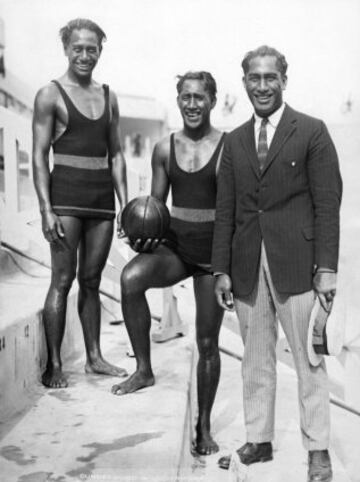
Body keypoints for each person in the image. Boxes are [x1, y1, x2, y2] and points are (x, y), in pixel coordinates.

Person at [212, 46, 342, 482]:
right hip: (247, 267)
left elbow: (327, 204)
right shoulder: (233, 141)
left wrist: (326, 267)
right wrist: (221, 269)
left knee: (310, 361)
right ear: (244, 82)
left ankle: (318, 449)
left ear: (284, 80)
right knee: (255, 359)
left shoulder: (311, 131)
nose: (262, 86)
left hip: (299, 267)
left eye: (271, 78)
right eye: (255, 78)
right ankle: (260, 438)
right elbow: (225, 210)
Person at [111, 71, 225, 456]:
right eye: (186, 97)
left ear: (212, 100)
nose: (192, 104)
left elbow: (233, 212)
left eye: (200, 97)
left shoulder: (228, 147)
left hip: (212, 254)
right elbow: (155, 210)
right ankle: (143, 369)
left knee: (207, 341)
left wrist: (226, 265)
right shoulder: (164, 148)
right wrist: (141, 234)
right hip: (176, 247)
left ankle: (203, 428)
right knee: (130, 278)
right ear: (178, 100)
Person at [32, 18, 128, 389]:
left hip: (101, 201)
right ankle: (55, 364)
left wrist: (125, 204)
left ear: (100, 51)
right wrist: (46, 208)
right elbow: (40, 156)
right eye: (78, 48)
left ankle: (94, 358)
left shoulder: (108, 95)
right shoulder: (50, 94)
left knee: (91, 280)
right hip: (66, 198)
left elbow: (117, 154)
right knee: (62, 279)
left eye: (92, 48)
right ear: (66, 49)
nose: (85, 55)